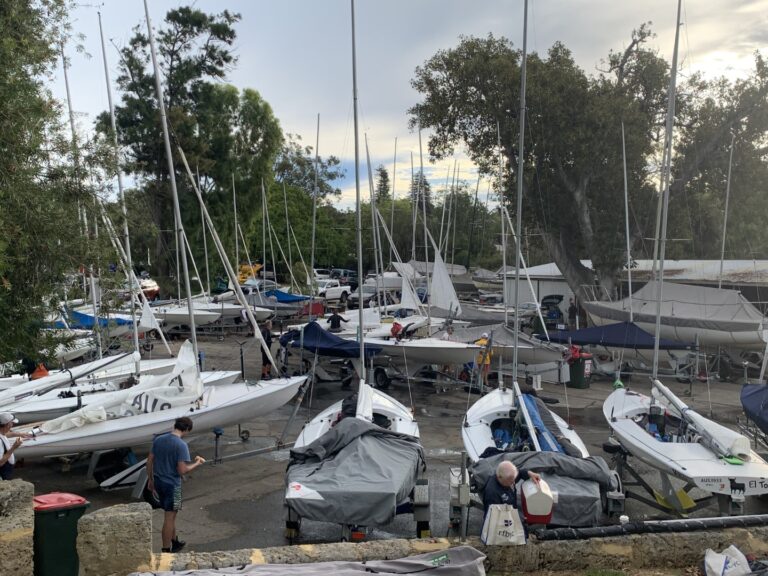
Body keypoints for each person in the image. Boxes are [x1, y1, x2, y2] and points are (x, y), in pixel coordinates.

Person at [146, 417, 205, 553]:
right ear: (187, 429)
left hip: (159, 481)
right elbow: (182, 470)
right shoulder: (181, 445)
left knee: (172, 515)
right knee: (169, 517)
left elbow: (149, 462)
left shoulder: (159, 440)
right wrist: (196, 463)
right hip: (173, 485)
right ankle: (166, 549)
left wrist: (150, 479)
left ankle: (175, 542)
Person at [0, 412, 28, 480]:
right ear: (7, 425)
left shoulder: (2, 433)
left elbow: (5, 435)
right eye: (12, 423)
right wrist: (14, 447)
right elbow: (0, 462)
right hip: (3, 473)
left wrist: (20, 434)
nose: (13, 425)